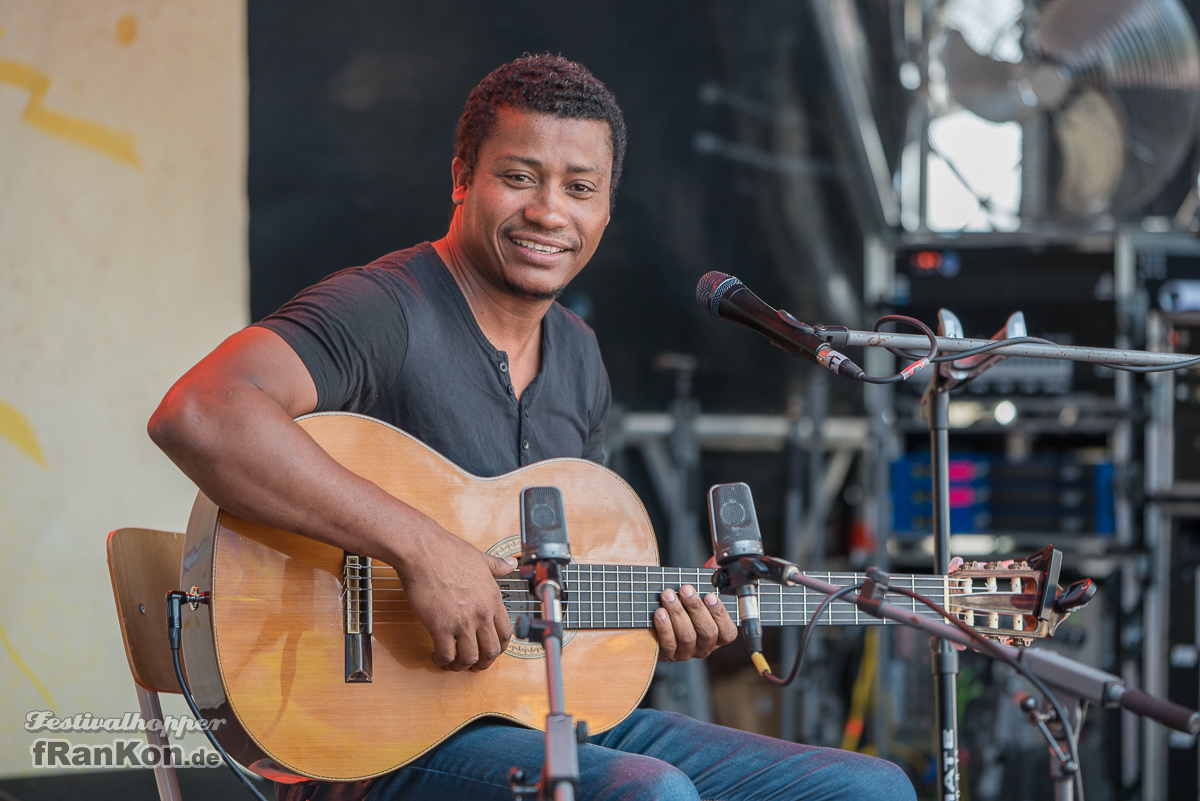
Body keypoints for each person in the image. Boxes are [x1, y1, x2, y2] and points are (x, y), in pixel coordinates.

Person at [149, 54, 916, 801]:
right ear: (461, 179)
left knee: (866, 783)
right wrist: (420, 548)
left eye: (580, 188)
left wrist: (675, 621)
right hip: (365, 736)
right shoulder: (385, 309)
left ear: (608, 207)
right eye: (520, 177)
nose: (550, 211)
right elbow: (201, 412)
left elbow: (551, 601)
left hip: (526, 716)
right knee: (648, 790)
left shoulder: (580, 358)